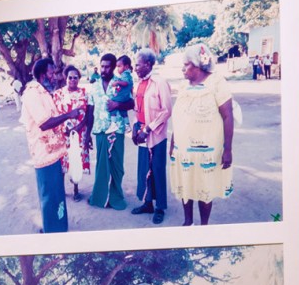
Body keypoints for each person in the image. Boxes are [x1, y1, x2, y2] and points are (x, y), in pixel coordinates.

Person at [169, 44, 234, 226]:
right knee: (186, 183)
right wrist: (173, 142)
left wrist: (227, 149)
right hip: (183, 149)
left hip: (208, 150)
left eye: (186, 64)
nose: (183, 68)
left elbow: (228, 116)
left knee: (204, 185)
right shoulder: (183, 86)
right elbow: (179, 115)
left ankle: (204, 225)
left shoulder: (217, 83)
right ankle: (188, 221)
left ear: (198, 65)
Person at [19, 57, 80, 232]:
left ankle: (59, 227)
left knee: (57, 193)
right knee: (49, 195)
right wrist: (69, 115)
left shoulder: (43, 91)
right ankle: (51, 230)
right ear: (42, 73)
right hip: (43, 154)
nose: (54, 76)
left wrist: (66, 127)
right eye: (52, 73)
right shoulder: (31, 93)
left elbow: (53, 118)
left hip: (55, 152)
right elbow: (44, 123)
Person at [130, 48, 173, 224]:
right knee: (144, 171)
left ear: (148, 64)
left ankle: (160, 207)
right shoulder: (137, 84)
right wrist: (135, 127)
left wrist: (148, 129)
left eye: (138, 64)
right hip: (141, 135)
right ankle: (147, 203)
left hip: (156, 136)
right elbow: (136, 109)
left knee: (157, 171)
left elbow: (166, 111)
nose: (135, 68)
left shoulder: (160, 83)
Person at [86, 54, 134, 210]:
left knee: (117, 166)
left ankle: (115, 198)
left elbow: (131, 103)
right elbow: (89, 111)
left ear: (114, 67)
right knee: (101, 166)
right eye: (102, 66)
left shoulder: (120, 83)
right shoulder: (94, 86)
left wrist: (117, 105)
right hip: (100, 130)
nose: (104, 69)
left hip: (117, 129)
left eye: (107, 66)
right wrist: (87, 136)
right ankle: (100, 198)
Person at [51, 64, 91, 202]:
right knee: (62, 162)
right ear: (65, 78)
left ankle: (75, 190)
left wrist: (80, 126)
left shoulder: (84, 93)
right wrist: (64, 126)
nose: (72, 80)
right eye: (70, 77)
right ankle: (61, 190)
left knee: (75, 161)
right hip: (63, 133)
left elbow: (88, 114)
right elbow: (55, 114)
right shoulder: (58, 94)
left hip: (79, 134)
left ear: (79, 79)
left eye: (75, 78)